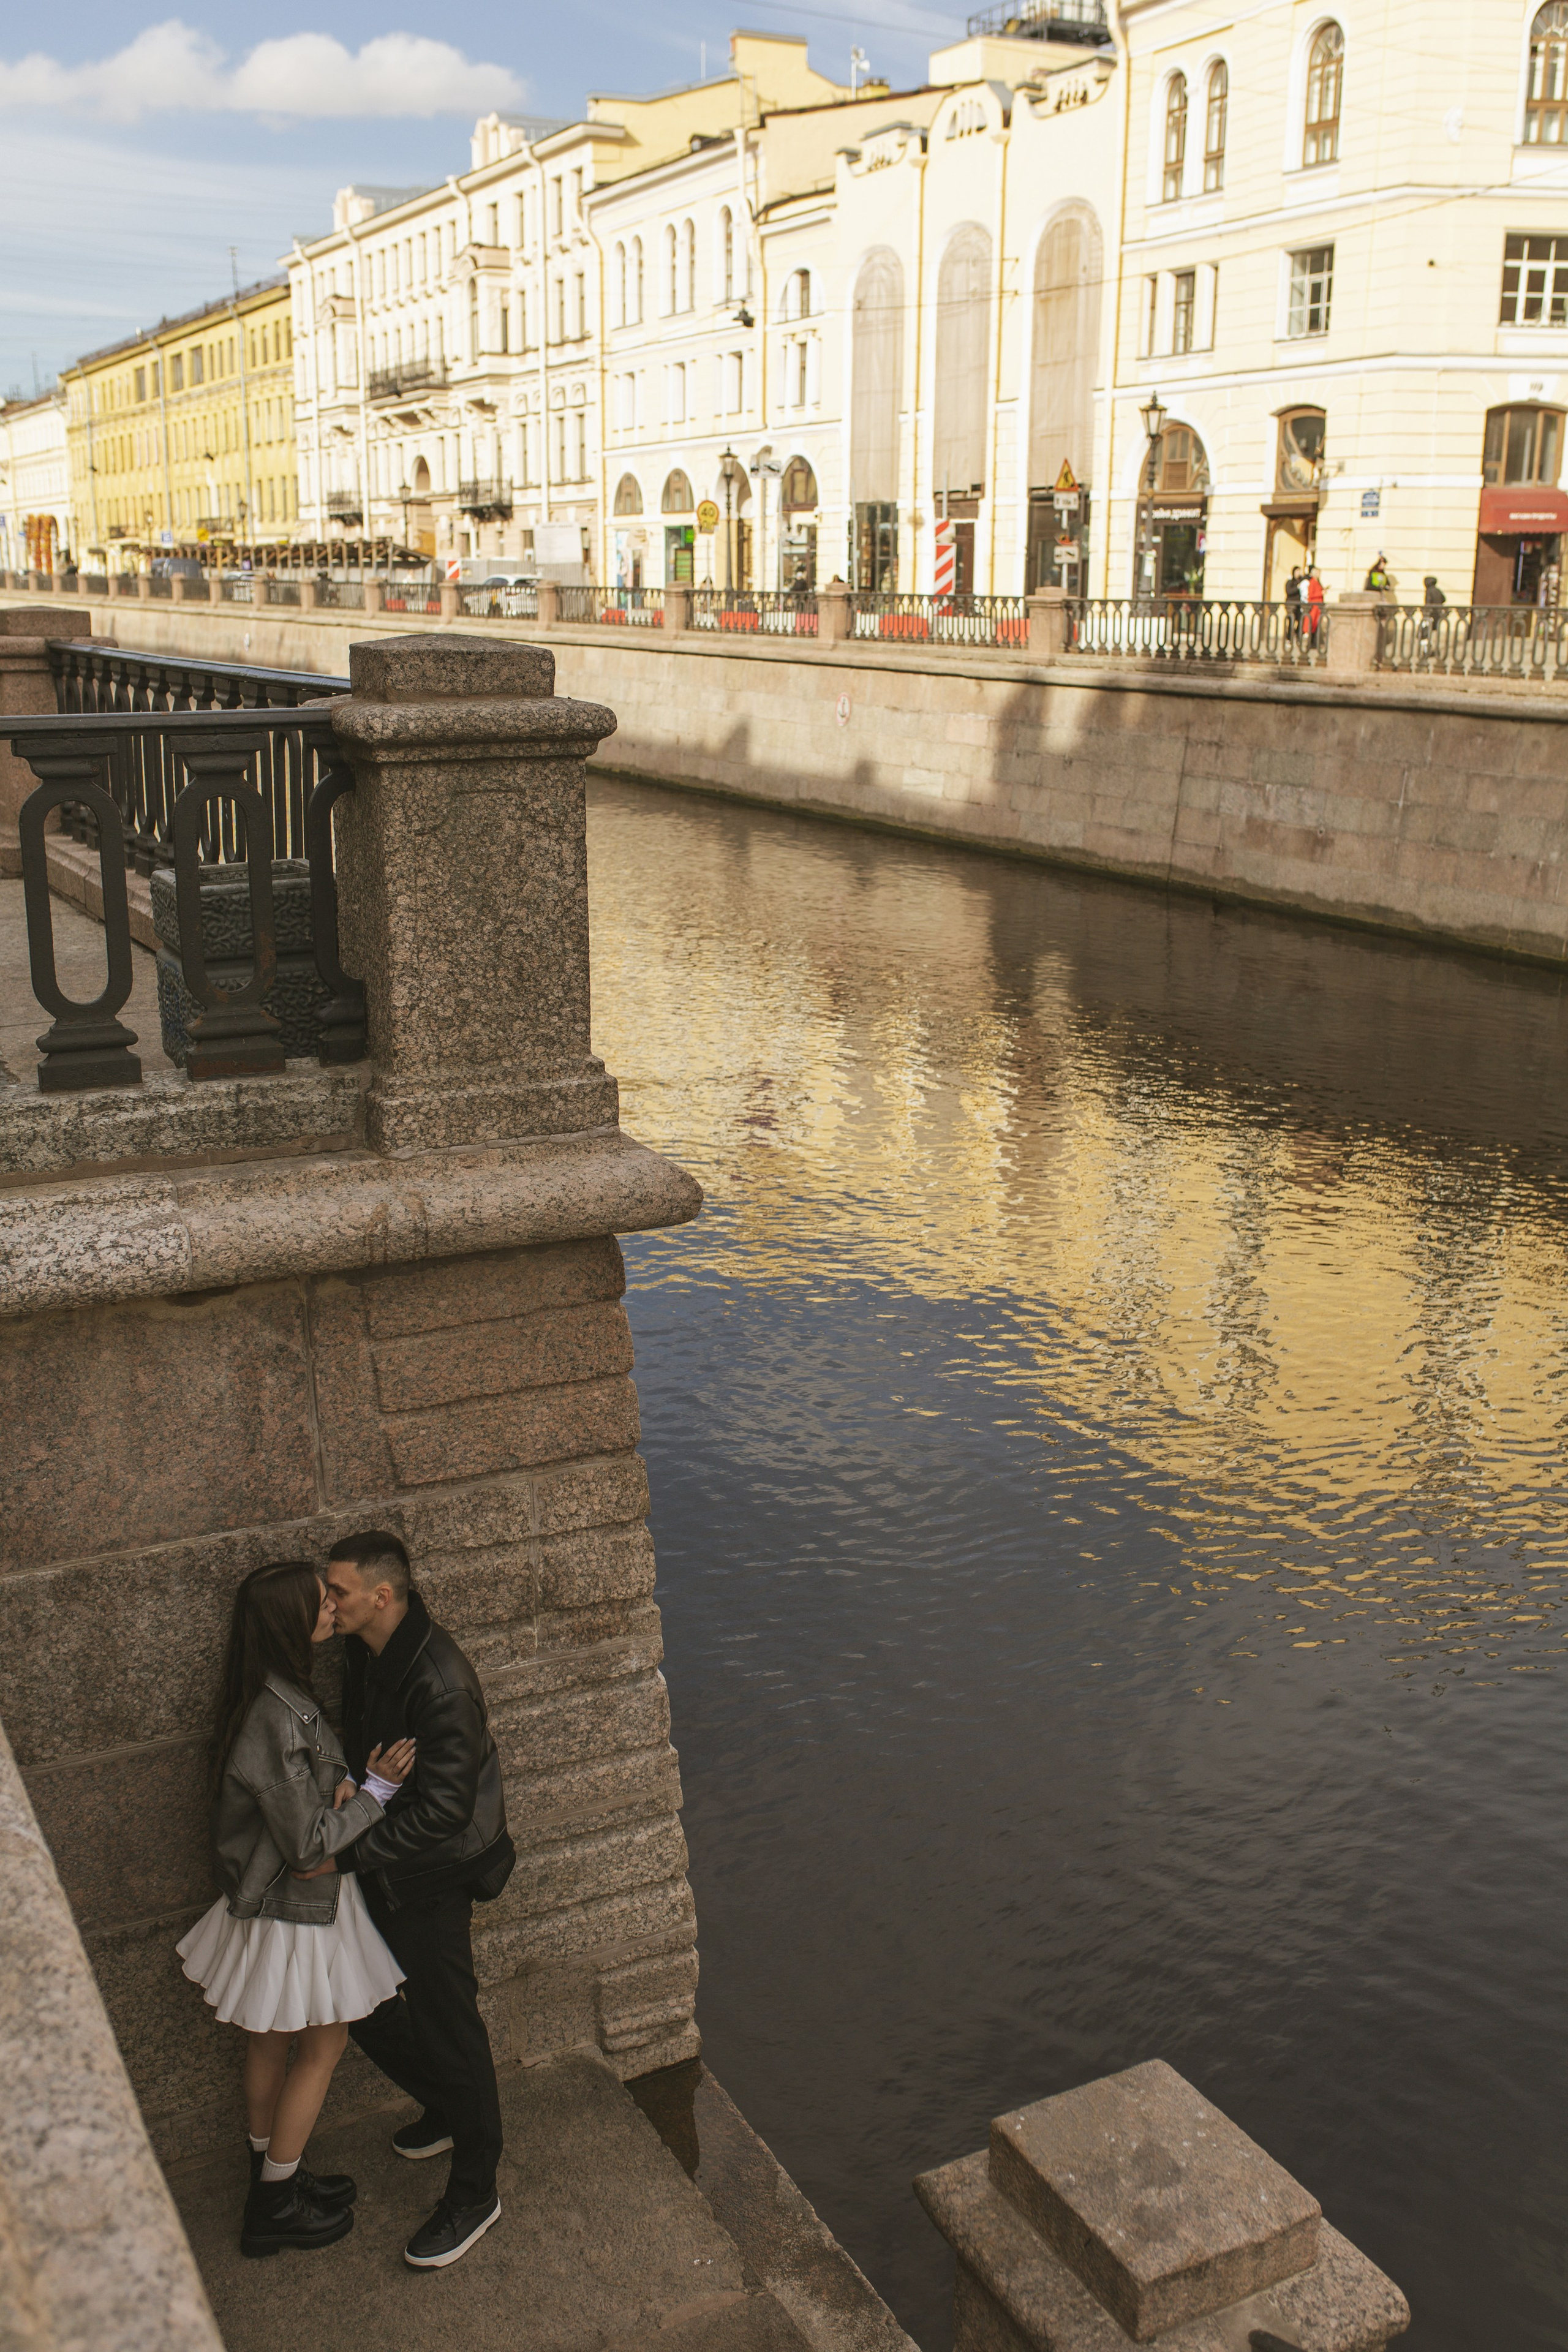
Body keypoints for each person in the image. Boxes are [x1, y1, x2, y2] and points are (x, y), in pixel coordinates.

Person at [178, 1561, 414, 2258]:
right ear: (288, 1622)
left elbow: (300, 1806)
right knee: (322, 2044)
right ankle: (273, 2205)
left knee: (269, 2041)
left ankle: (271, 2173)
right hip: (295, 1904)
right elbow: (309, 1847)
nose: (333, 1611)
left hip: (273, 1897)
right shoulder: (275, 1717)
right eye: (320, 1604)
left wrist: (334, 1790)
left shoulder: (271, 1697)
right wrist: (374, 1793)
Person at [324, 1532, 516, 2272]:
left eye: (337, 1591)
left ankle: (475, 2193)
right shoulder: (364, 1651)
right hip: (387, 1865)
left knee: (450, 2028)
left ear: (381, 1597)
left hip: (430, 1875)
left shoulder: (439, 1681)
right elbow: (369, 1756)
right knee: (365, 2005)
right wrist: (360, 1792)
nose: (326, 1602)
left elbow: (442, 1811)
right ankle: (446, 2105)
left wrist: (346, 1852)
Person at [1305, 564, 1325, 641]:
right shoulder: (1313, 582)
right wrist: (1321, 593)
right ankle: (1311, 641)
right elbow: (1311, 594)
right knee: (1312, 624)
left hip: (1318, 606)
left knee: (1316, 624)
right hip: (1314, 606)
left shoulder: (1318, 582)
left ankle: (1314, 641)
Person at [1283, 565, 1303, 637]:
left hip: (1299, 604)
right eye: (1297, 571)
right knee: (1292, 620)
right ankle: (1289, 637)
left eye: (1300, 571)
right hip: (1291, 605)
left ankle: (1296, 634)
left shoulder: (1301, 580)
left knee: (1300, 619)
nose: (1299, 573)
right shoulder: (1290, 581)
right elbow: (1289, 591)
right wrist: (1297, 588)